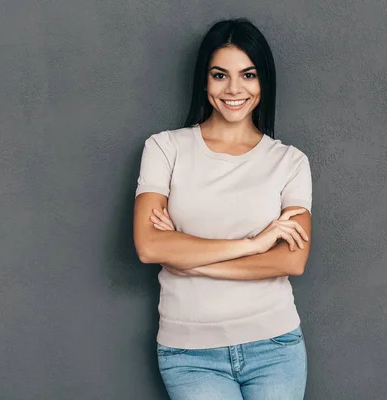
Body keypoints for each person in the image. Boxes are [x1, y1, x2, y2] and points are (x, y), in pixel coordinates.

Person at [133, 17, 313, 400]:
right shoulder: (165, 149)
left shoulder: (290, 162)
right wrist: (254, 243)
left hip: (274, 346)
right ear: (204, 80)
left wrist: (189, 258)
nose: (234, 89)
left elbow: (291, 261)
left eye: (248, 75)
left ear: (263, 81)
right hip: (189, 352)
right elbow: (150, 247)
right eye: (220, 75)